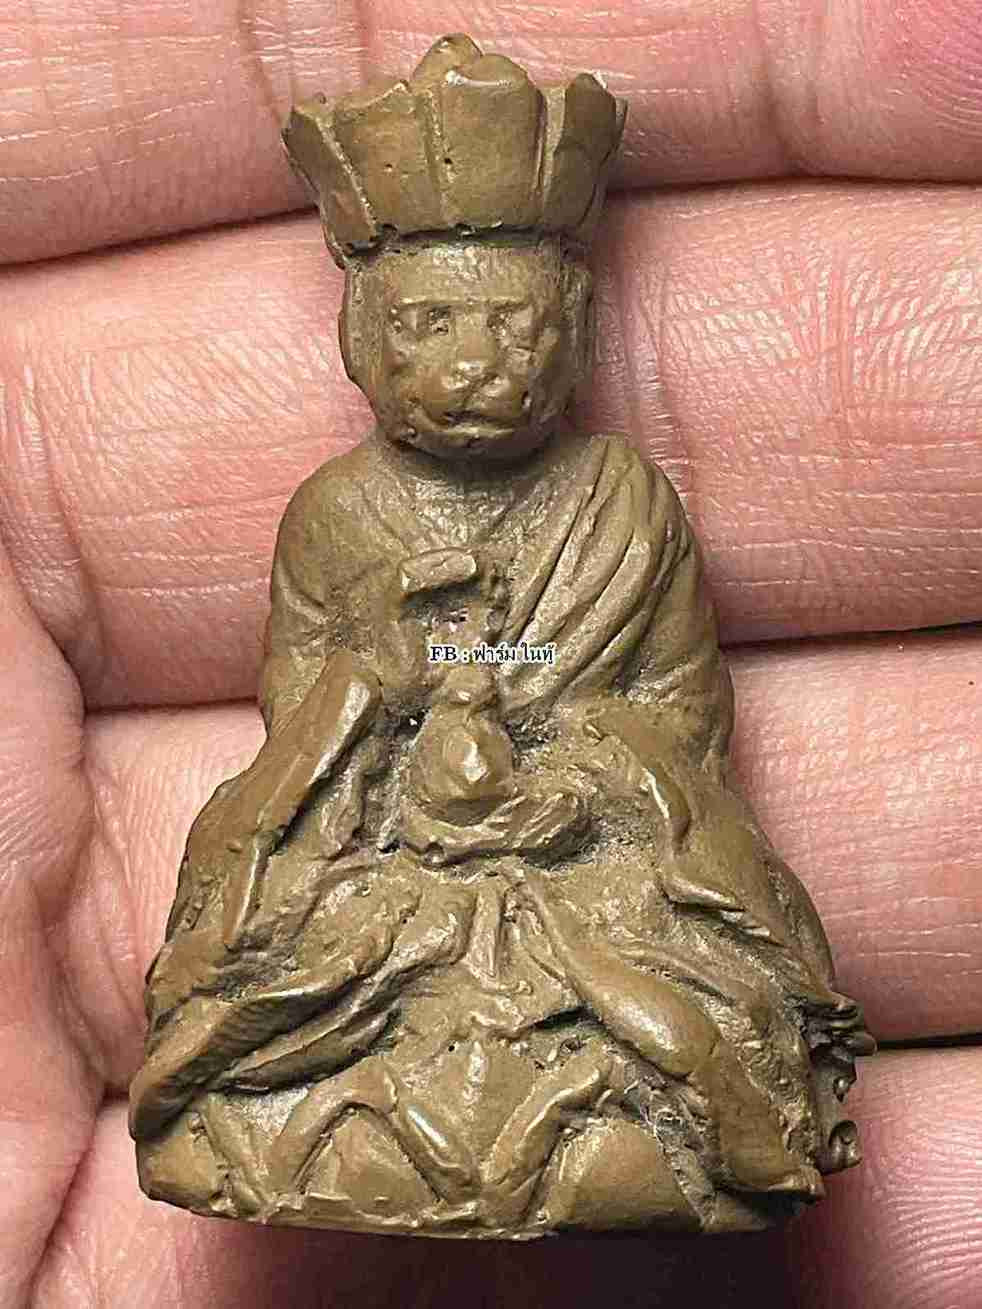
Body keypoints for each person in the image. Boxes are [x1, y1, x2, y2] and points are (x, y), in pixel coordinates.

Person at [1, 4, 979, 1305]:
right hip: (381, 850)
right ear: (364, 337)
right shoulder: (337, 514)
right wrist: (378, 687)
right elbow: (296, 706)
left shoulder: (622, 502)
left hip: (585, 852)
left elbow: (679, 707)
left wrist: (577, 780)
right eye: (427, 328)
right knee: (264, 984)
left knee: (701, 1023)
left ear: (573, 328)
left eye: (513, 329)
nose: (474, 366)